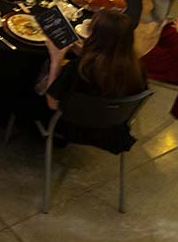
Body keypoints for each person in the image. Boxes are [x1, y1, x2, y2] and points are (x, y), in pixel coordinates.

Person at [34, 9, 148, 149]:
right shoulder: (136, 68)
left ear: (95, 36)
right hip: (111, 128)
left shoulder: (80, 68)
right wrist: (84, 52)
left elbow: (52, 103)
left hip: (72, 126)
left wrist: (56, 61)